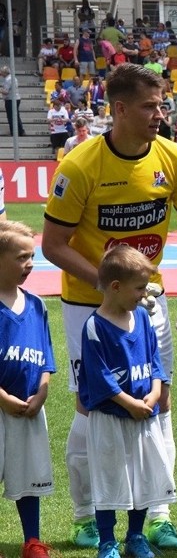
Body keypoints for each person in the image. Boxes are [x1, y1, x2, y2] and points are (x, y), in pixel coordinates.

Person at [42, 63, 177, 552]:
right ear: (117, 109)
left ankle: (158, 514)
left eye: (162, 105)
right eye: (149, 106)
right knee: (93, 406)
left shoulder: (175, 158)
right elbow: (53, 244)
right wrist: (111, 287)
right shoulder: (79, 165)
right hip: (88, 307)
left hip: (146, 302)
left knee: (161, 402)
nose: (160, 115)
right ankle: (85, 516)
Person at [78, 245, 177, 558]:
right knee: (109, 478)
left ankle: (135, 536)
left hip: (143, 415)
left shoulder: (143, 320)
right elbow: (99, 376)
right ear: (116, 287)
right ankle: (107, 541)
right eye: (139, 288)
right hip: (111, 417)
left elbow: (155, 359)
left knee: (143, 477)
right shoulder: (95, 327)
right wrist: (127, 403)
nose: (143, 295)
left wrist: (156, 389)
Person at [0, 220, 57, 558]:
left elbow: (46, 355)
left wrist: (43, 391)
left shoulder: (36, 304)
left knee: (28, 474)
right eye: (21, 257)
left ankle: (32, 540)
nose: (29, 264)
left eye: (32, 257)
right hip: (3, 403)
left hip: (29, 405)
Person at [0, 65, 25, 136]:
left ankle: (14, 132)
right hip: (15, 98)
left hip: (11, 100)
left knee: (11, 116)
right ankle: (20, 131)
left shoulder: (8, 79)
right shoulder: (12, 78)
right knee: (16, 115)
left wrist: (0, 90)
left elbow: (6, 91)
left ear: (5, 73)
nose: (1, 74)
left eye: (2, 72)